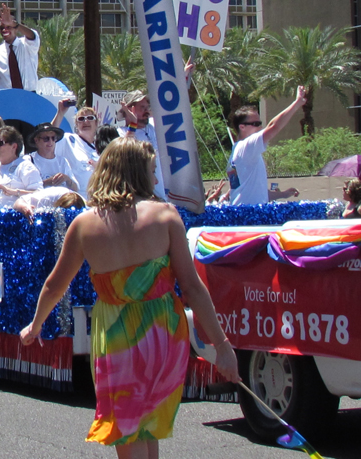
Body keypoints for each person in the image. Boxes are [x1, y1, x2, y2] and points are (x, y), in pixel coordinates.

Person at [20, 138, 239, 458]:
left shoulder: (83, 224)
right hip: (164, 335)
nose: (154, 179)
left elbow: (55, 286)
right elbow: (192, 288)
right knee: (149, 424)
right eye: (151, 171)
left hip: (117, 335)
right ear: (136, 173)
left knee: (128, 428)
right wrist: (221, 345)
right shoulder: (165, 216)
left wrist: (35, 325)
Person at [227, 86, 306, 205]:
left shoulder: (238, 151)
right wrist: (297, 103)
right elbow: (273, 126)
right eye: (256, 124)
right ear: (242, 127)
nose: (260, 127)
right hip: (249, 215)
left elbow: (256, 193)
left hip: (243, 212)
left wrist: (283, 194)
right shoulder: (246, 147)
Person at [118, 90, 166, 200]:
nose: (146, 111)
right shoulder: (120, 133)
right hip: (143, 198)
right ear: (129, 109)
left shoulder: (154, 126)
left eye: (147, 107)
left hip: (164, 195)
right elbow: (125, 149)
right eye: (142, 107)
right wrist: (133, 123)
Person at [52, 100, 101, 199]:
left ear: (96, 123)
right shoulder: (68, 140)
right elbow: (50, 134)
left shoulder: (102, 146)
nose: (85, 121)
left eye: (90, 118)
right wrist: (60, 113)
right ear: (76, 124)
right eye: (81, 119)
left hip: (97, 200)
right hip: (76, 199)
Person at [0, 3, 40, 91]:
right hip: (7, 99)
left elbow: (32, 36)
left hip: (30, 96)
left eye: (9, 26)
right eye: (2, 28)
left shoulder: (27, 46)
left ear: (16, 28)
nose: (5, 30)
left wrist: (15, 24)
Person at [25, 122, 79, 192]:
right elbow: (25, 189)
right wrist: (48, 182)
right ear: (36, 140)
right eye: (46, 138)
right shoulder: (29, 160)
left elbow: (76, 189)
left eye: (53, 138)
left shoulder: (62, 161)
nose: (50, 142)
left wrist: (67, 179)